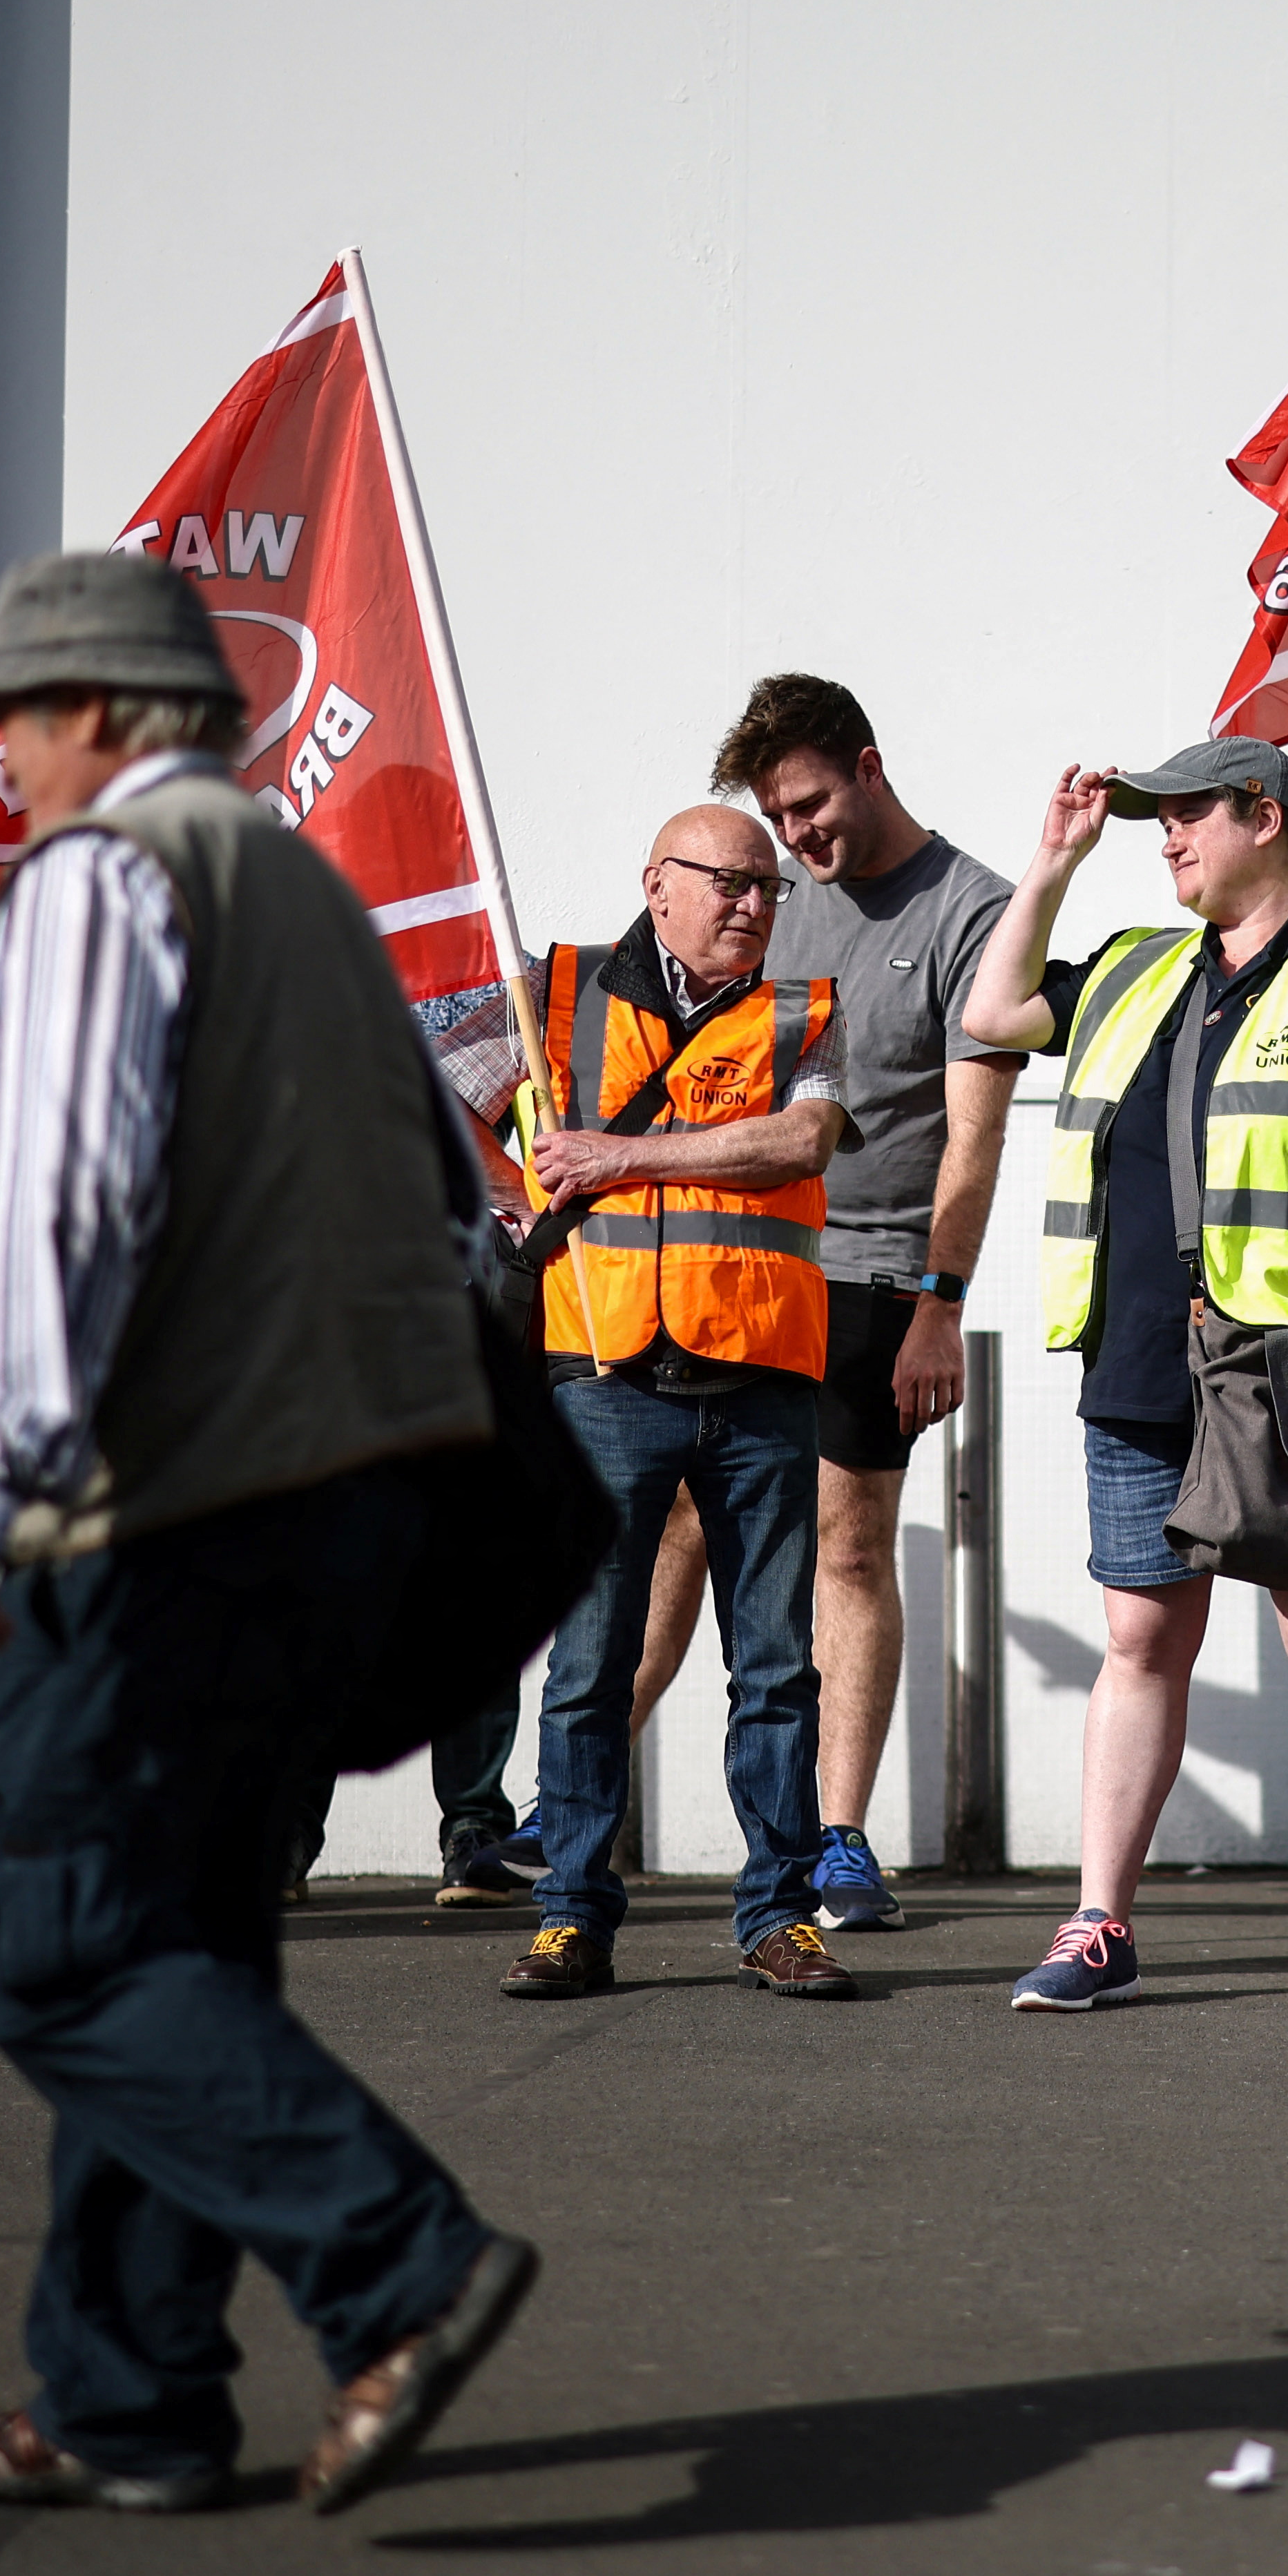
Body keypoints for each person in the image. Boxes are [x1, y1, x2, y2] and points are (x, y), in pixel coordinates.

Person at [0, 550, 535, 2516]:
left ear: (94, 714)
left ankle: (397, 2264)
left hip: (152, 1514)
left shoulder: (104, 884)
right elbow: (452, 1216)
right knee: (174, 1953)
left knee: (59, 1948)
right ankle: (129, 2397)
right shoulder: (313, 902)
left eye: (9, 719)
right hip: (330, 1524)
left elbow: (58, 1206)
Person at [958, 738, 1288, 2020]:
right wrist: (1054, 860)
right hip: (1136, 1358)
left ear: (1266, 818)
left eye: (1185, 815)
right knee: (1140, 1633)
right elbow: (993, 1011)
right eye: (1156, 818)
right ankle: (1098, 1920)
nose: (1164, 837)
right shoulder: (1133, 965)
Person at [487, 807, 862, 2003]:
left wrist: (620, 1158)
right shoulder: (550, 996)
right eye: (730, 881)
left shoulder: (806, 1011)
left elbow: (800, 1140)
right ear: (658, 883)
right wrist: (506, 1197)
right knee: (589, 1664)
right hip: (603, 1379)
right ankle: (571, 1916)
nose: (754, 902)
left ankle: (780, 1914)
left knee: (776, 1667)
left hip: (760, 1381)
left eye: (769, 886)